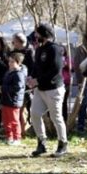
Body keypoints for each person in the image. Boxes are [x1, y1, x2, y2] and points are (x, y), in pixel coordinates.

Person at [29, 23, 69, 157]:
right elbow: (36, 67)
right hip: (40, 90)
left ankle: (62, 143)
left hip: (54, 89)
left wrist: (38, 80)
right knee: (34, 114)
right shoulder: (39, 49)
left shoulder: (55, 49)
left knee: (56, 117)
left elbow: (55, 70)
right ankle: (41, 143)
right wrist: (31, 78)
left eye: (38, 34)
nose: (36, 36)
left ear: (44, 34)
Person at [0, 52, 27, 145]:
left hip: (13, 101)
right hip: (6, 100)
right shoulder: (9, 72)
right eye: (9, 61)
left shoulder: (18, 74)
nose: (10, 63)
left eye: (12, 62)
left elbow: (17, 88)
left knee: (14, 120)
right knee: (6, 120)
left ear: (18, 62)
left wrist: (3, 88)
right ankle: (9, 137)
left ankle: (17, 138)